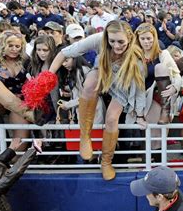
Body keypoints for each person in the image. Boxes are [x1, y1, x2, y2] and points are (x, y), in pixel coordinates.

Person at [49, 20, 147, 180]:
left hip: (122, 86)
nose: (116, 45)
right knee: (89, 85)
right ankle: (85, 137)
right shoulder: (99, 39)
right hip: (101, 73)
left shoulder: (136, 55)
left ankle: (106, 162)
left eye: (121, 41)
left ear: (129, 37)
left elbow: (140, 88)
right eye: (112, 41)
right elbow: (65, 53)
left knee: (112, 118)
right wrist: (48, 75)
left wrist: (140, 114)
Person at [0, 31, 40, 140]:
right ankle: (30, 115)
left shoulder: (27, 61)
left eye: (17, 46)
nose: (14, 49)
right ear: (3, 45)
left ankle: (14, 156)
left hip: (18, 105)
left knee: (20, 141)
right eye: (10, 46)